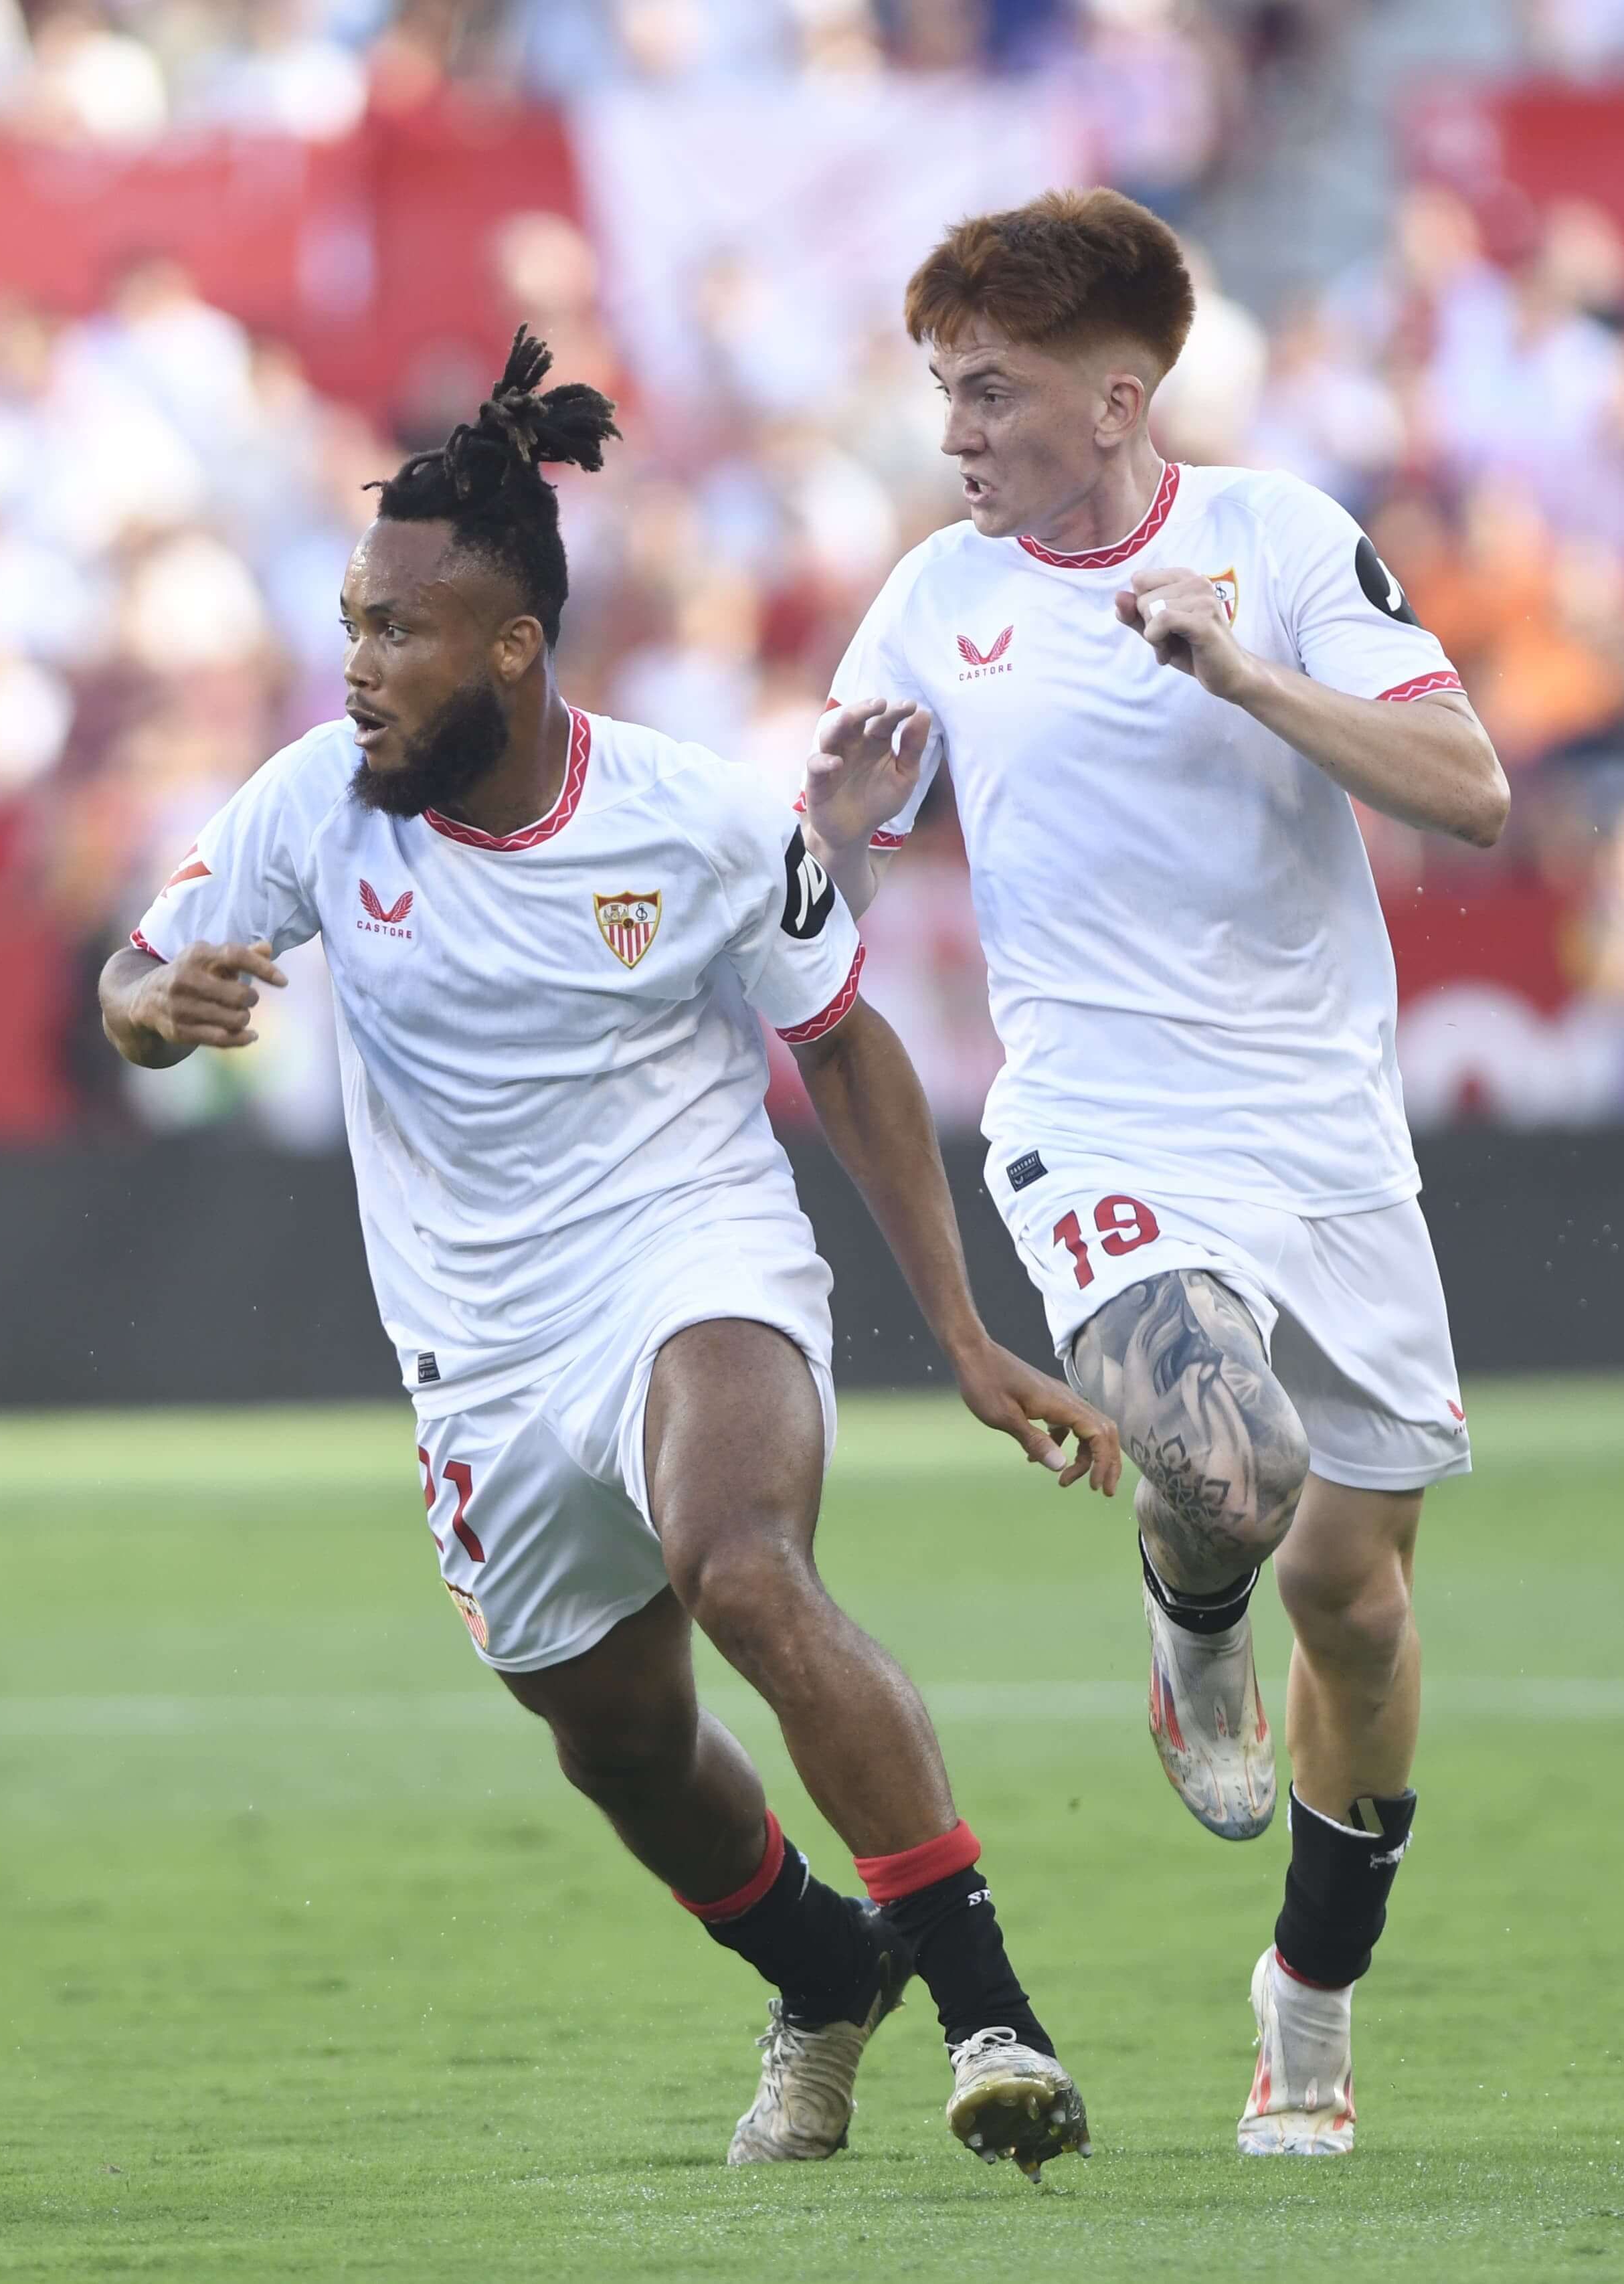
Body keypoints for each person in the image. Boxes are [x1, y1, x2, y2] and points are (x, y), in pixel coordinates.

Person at [100, 332, 1125, 2180]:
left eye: (398, 633)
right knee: (621, 1746)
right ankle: (822, 1970)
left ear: (510, 647)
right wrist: (160, 1005)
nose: (357, 666)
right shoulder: (308, 809)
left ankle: (992, 2016)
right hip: (478, 1350)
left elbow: (846, 1048)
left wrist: (967, 1337)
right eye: (349, 624)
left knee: (742, 1568)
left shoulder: (704, 821)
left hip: (689, 1257)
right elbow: (129, 989)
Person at [799, 192, 1511, 2158]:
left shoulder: (1277, 541)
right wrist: (840, 833)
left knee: (1359, 1613)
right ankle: (1194, 1626)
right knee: (1225, 1468)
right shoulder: (937, 598)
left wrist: (1246, 676)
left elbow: (1472, 789)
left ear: (1118, 397)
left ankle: (1308, 1997)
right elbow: (807, 922)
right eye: (943, 390)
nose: (954, 431)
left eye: (991, 391)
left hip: (1328, 1134)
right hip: (1100, 1117)